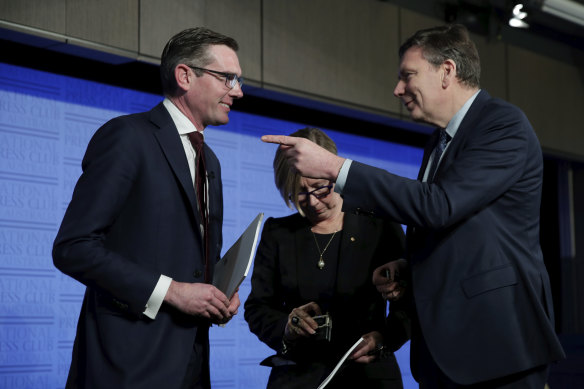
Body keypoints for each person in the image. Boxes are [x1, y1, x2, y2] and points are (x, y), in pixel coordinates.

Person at [261, 24, 565, 388]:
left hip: (495, 346)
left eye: (408, 76)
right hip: (448, 354)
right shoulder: (438, 142)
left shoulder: (503, 125)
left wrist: (335, 167)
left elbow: (439, 206)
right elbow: (461, 229)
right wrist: (409, 268)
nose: (397, 89)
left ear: (447, 71)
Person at [52, 27, 244, 389]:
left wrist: (217, 295)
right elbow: (73, 248)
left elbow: (190, 259)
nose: (238, 90)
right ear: (185, 75)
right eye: (228, 78)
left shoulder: (211, 161)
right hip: (128, 367)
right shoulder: (127, 137)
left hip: (191, 365)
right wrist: (173, 292)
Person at [245, 127, 409, 389]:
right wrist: (287, 327)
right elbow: (258, 308)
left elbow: (411, 297)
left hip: (370, 378)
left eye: (320, 188)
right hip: (298, 379)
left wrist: (385, 338)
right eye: (298, 192)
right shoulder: (278, 232)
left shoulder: (378, 224)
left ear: (336, 175)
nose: (312, 202)